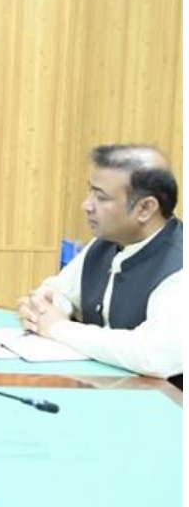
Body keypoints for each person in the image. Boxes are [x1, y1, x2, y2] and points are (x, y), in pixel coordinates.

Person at [16, 145, 182, 387]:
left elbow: (153, 356)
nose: (87, 205)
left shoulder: (180, 265)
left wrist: (59, 328)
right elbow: (59, 291)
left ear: (145, 208)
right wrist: (40, 310)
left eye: (101, 197)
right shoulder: (106, 242)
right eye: (90, 192)